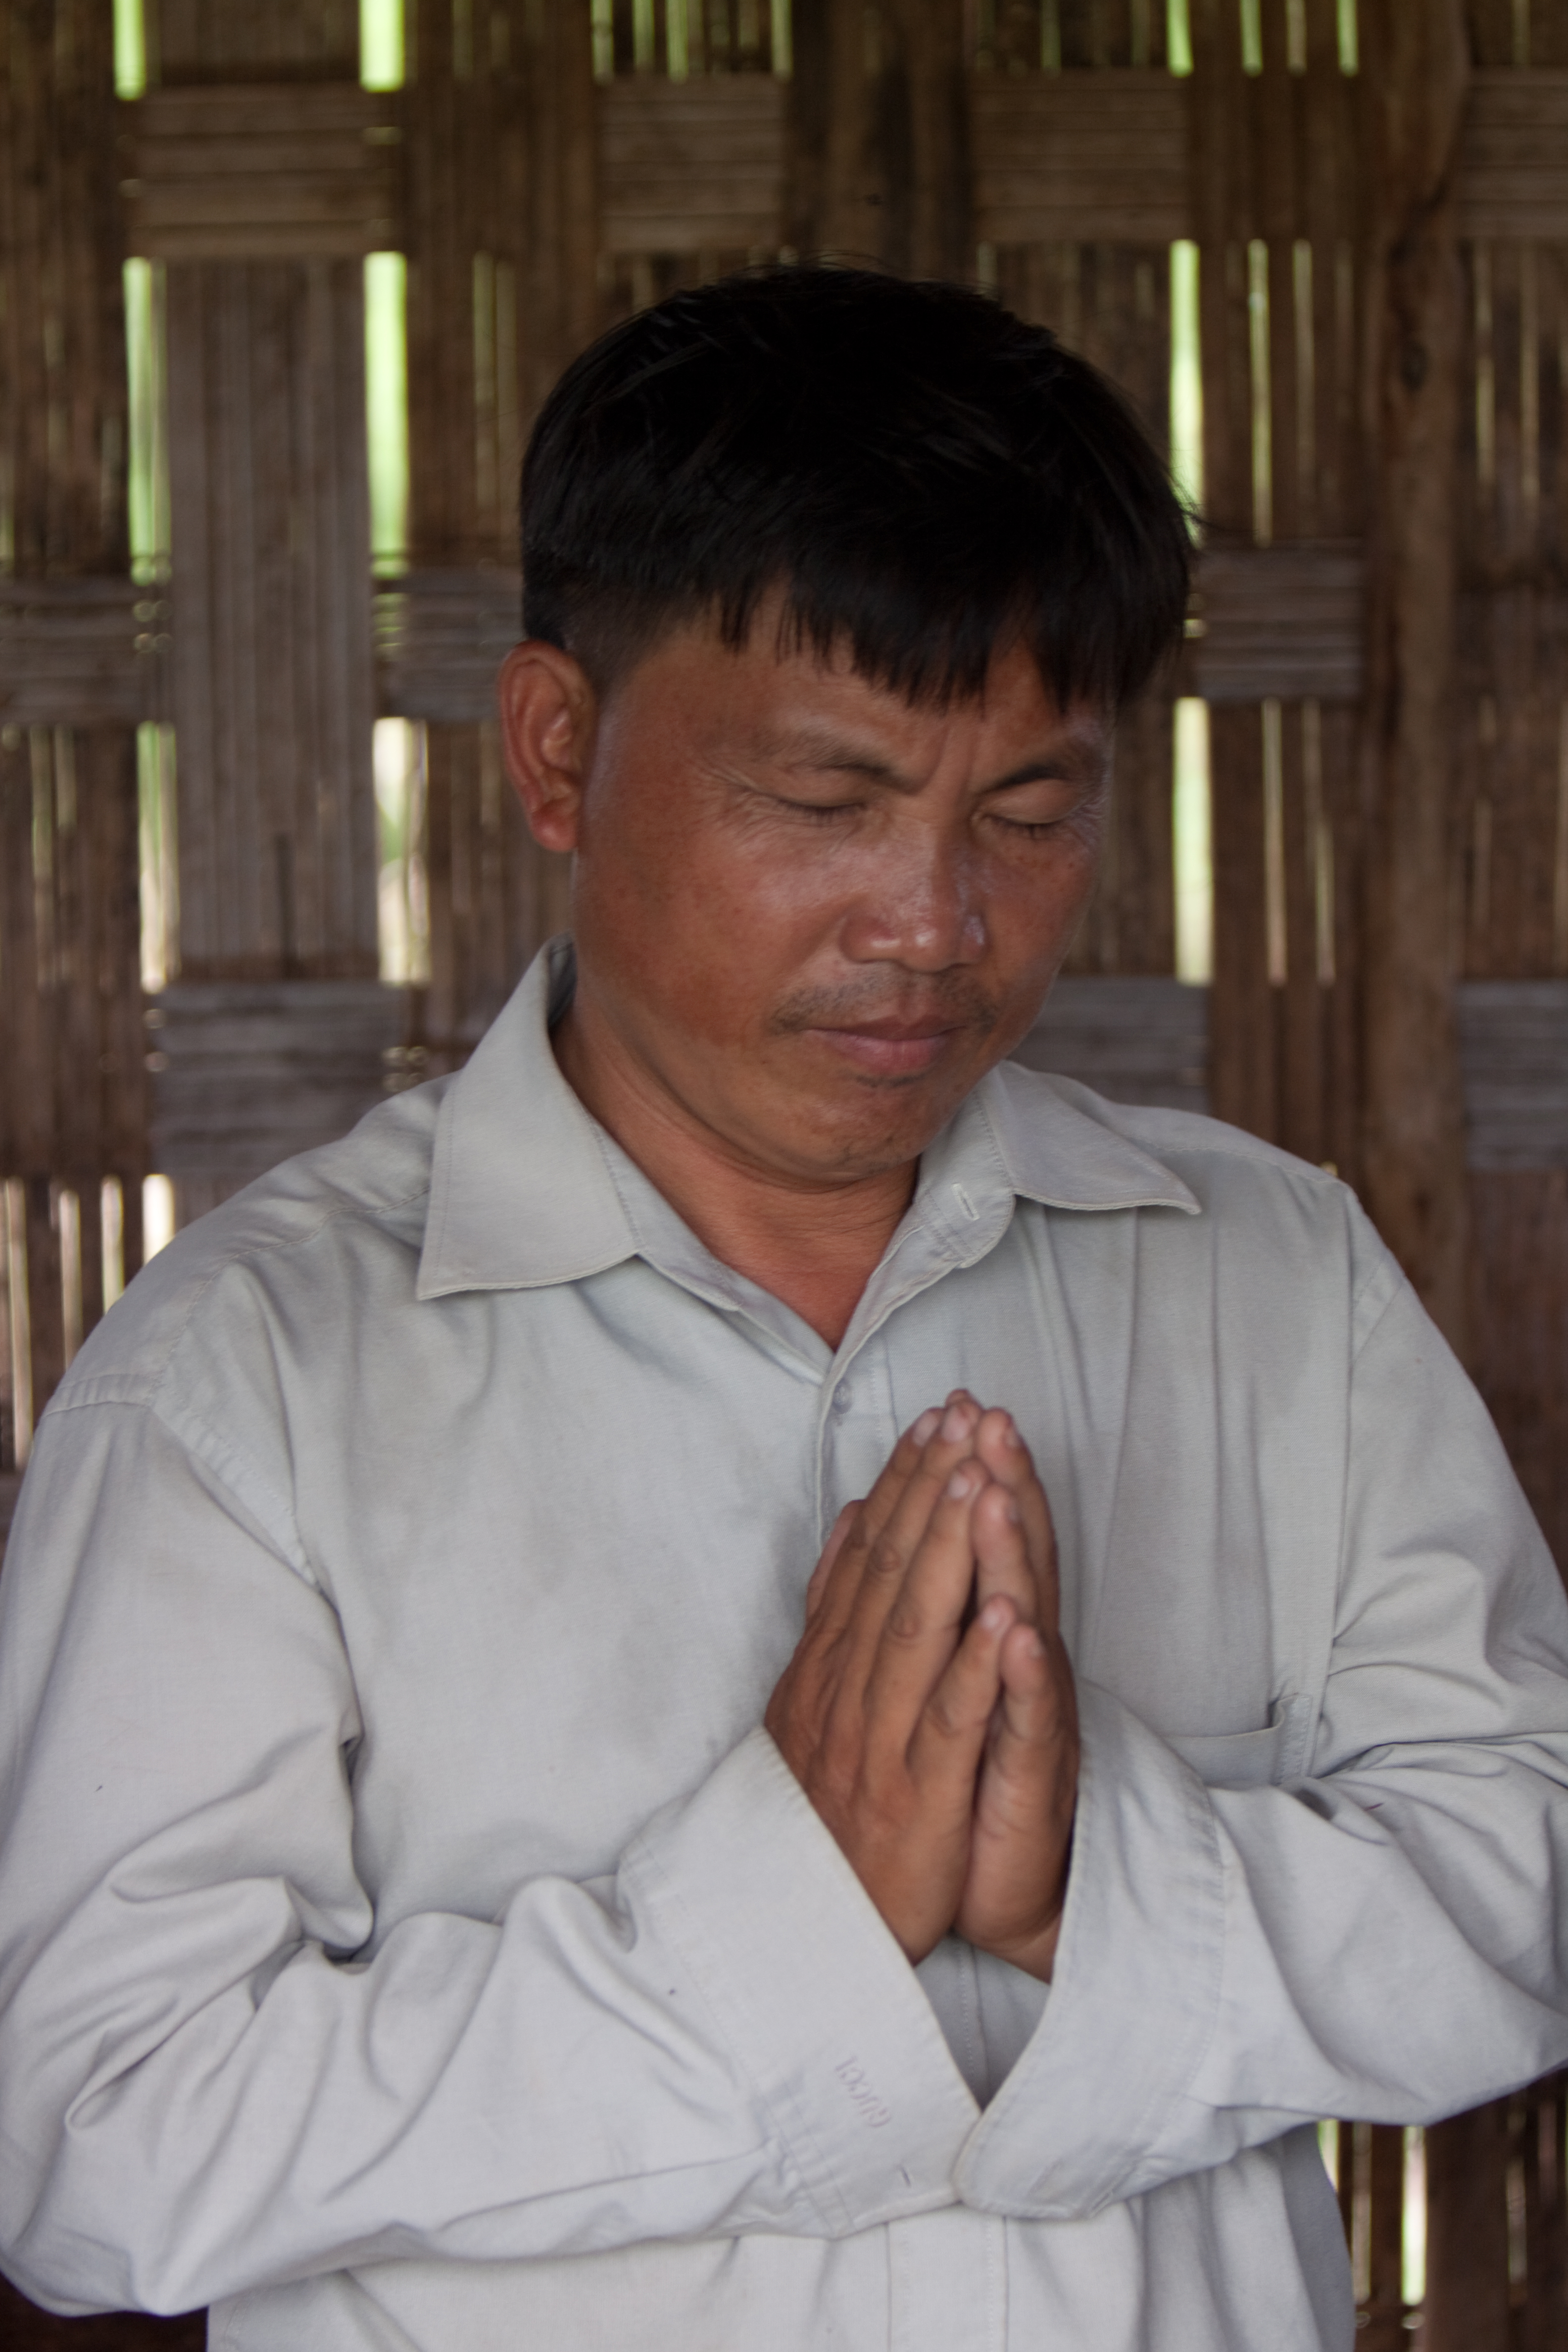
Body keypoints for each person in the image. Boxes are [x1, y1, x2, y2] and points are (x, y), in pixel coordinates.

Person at [0, 267, 1566, 2352]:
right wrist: (782, 1921)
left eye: (1031, 810)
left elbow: (1523, 1880)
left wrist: (1092, 1883)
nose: (934, 923)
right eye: (826, 804)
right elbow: (93, 2143)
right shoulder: (248, 1384)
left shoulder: (1270, 1280)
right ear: (558, 750)